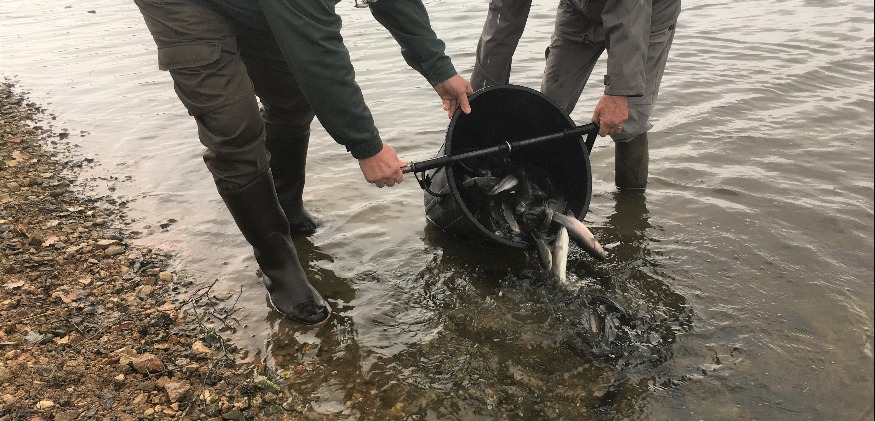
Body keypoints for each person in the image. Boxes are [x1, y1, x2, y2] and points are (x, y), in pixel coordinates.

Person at [133, 0, 473, 326]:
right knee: (233, 130)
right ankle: (279, 267)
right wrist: (367, 146)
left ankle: (287, 210)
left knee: (292, 98)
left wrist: (439, 69)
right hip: (183, 7)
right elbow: (317, 52)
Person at [472, 0, 681, 191]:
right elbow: (503, 17)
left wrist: (619, 92)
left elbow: (629, 10)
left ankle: (631, 208)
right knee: (550, 107)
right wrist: (481, 95)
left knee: (628, 121)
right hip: (579, 9)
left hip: (648, 12)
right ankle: (537, 186)